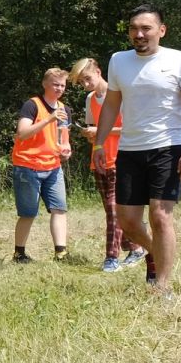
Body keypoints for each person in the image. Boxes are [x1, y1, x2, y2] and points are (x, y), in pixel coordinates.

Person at [96, 5, 181, 296]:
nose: (139, 34)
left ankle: (162, 286)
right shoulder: (118, 61)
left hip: (169, 147)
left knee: (160, 216)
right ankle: (155, 252)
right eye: (134, 28)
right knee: (128, 221)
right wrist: (98, 143)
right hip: (130, 149)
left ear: (161, 30)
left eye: (146, 28)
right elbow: (111, 105)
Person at [70, 56, 145, 274]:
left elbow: (130, 129)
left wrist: (102, 132)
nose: (85, 85)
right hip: (100, 160)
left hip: (122, 159)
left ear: (99, 72)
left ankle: (111, 258)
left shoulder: (120, 97)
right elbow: (95, 131)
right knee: (112, 212)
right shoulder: (90, 99)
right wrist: (89, 135)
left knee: (114, 211)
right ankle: (136, 248)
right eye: (81, 82)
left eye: (87, 79)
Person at [10, 67, 73, 262]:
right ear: (45, 84)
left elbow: (64, 139)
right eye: (55, 84)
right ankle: (19, 253)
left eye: (62, 85)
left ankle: (60, 252)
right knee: (28, 213)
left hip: (53, 167)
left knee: (59, 209)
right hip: (27, 166)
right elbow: (23, 133)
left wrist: (66, 150)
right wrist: (49, 119)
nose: (59, 88)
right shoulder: (32, 105)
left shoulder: (65, 109)